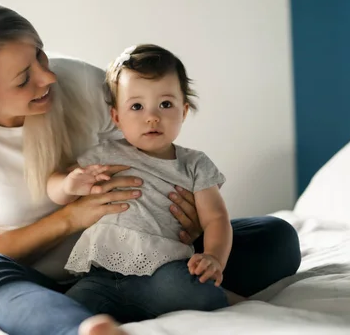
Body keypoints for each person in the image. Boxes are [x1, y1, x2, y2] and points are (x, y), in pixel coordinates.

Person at [0, 0, 301, 335]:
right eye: (25, 78)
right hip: (46, 283)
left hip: (147, 256)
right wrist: (69, 219)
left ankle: (145, 295)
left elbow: (155, 147)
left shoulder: (77, 82)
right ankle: (79, 326)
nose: (48, 76)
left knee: (277, 237)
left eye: (40, 54)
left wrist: (196, 222)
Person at [47, 44, 241, 322]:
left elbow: (216, 218)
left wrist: (213, 257)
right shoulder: (105, 153)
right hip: (103, 276)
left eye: (165, 104)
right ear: (116, 117)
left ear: (183, 111)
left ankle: (209, 296)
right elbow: (54, 185)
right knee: (68, 310)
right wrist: (68, 185)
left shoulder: (194, 164)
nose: (152, 116)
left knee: (194, 290)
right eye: (136, 106)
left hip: (161, 273)